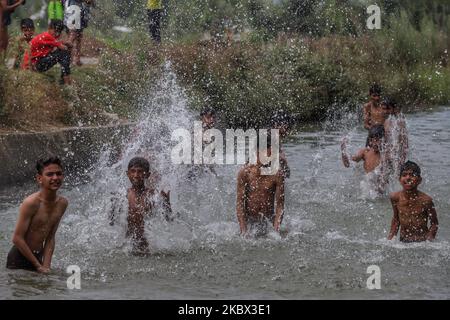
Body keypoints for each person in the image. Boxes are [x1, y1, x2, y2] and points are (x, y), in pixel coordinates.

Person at [6, 157, 68, 273]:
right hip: (18, 259)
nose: (55, 178)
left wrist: (46, 266)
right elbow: (17, 238)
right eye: (49, 174)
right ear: (39, 178)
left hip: (38, 258)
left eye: (58, 174)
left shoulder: (62, 203)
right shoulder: (31, 203)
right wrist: (38, 266)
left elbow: (50, 237)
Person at [110, 157, 173, 255]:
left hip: (148, 248)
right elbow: (111, 223)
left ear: (147, 175)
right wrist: (113, 205)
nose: (136, 175)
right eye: (133, 171)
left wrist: (167, 203)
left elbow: (168, 220)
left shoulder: (154, 195)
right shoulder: (121, 195)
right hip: (126, 247)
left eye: (140, 172)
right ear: (128, 174)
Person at [236, 134, 285, 237]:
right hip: (250, 224)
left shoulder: (277, 175)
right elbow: (240, 205)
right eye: (271, 151)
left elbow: (280, 206)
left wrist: (276, 231)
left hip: (268, 224)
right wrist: (244, 231)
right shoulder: (245, 173)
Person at [387, 161, 438, 242]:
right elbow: (396, 220)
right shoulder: (395, 198)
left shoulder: (426, 200)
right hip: (403, 241)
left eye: (412, 175)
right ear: (399, 179)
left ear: (419, 180)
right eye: (404, 175)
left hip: (421, 242)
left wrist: (429, 240)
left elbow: (434, 224)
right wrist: (389, 241)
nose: (408, 178)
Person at [341, 125, 387, 193]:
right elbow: (347, 164)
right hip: (368, 187)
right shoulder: (365, 152)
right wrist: (343, 151)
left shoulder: (387, 154)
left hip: (382, 189)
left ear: (384, 140)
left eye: (377, 140)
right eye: (372, 140)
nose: (374, 143)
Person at [30, 19, 72, 85]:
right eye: (55, 31)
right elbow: (64, 47)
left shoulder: (45, 35)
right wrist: (69, 44)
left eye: (58, 32)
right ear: (49, 28)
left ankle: (64, 78)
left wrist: (64, 43)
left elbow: (57, 43)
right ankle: (66, 80)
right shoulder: (48, 36)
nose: (56, 34)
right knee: (64, 53)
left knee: (63, 54)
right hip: (37, 65)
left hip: (38, 63)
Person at [382, 97, 409, 170]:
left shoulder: (400, 121)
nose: (385, 111)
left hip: (398, 155)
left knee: (397, 174)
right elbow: (384, 140)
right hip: (388, 153)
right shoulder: (387, 121)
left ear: (393, 108)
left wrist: (403, 157)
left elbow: (404, 142)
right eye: (383, 109)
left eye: (387, 109)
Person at [64, 0, 93, 66]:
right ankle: (69, 58)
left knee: (79, 36)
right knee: (72, 35)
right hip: (73, 9)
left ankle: (76, 58)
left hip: (80, 10)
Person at [270, 110, 293, 179]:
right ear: (277, 125)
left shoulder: (274, 136)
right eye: (288, 127)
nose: (288, 131)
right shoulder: (271, 137)